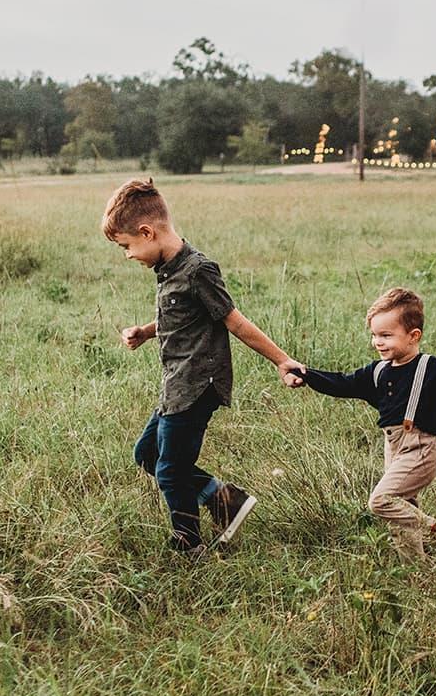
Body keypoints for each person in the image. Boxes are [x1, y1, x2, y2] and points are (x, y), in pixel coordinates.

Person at [103, 179, 304, 560]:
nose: (128, 255)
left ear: (148, 232)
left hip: (198, 385)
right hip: (176, 385)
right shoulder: (167, 269)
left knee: (170, 470)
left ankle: (189, 545)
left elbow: (235, 322)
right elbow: (180, 318)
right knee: (147, 454)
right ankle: (225, 500)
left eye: (127, 246)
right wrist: (147, 332)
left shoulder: (198, 270)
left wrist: (282, 360)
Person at [299, 288, 436, 567]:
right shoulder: (379, 371)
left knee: (381, 501)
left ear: (413, 336)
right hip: (392, 448)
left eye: (386, 335)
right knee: (401, 513)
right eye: (375, 335)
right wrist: (306, 374)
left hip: (421, 449)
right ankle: (416, 571)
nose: (377, 342)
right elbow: (343, 383)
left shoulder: (428, 367)